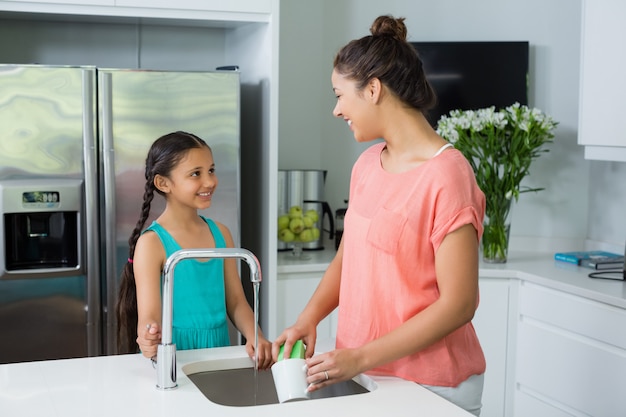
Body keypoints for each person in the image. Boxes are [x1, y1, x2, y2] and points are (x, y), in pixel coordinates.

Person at [272, 15, 486, 415]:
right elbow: (349, 255)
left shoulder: (448, 175)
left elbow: (460, 304)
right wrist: (308, 318)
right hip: (364, 376)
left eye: (339, 95)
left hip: (429, 386)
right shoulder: (368, 164)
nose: (336, 110)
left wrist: (360, 356)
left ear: (373, 89)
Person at [116, 131, 272, 370]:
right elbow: (149, 317)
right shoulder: (152, 243)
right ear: (163, 183)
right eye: (195, 174)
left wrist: (255, 335)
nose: (209, 181)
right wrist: (148, 337)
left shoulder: (221, 234)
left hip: (218, 349)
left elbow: (236, 301)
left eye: (211, 170)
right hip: (173, 353)